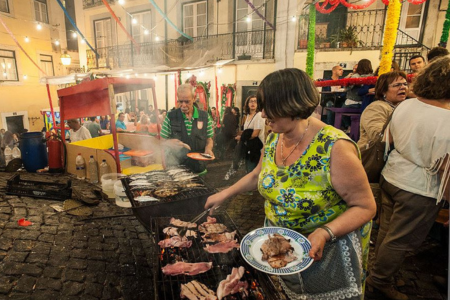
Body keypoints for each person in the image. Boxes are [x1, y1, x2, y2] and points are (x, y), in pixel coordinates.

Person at [205, 68, 375, 299]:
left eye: (269, 108)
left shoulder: (335, 147)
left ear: (292, 105)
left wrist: (325, 232)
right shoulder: (275, 137)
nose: (263, 115)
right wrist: (225, 193)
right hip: (281, 247)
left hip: (328, 251)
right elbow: (258, 175)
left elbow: (365, 206)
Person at [366, 56, 450, 300]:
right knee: (400, 240)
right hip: (418, 188)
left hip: (392, 176)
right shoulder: (445, 120)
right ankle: (379, 281)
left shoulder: (406, 106)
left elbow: (388, 141)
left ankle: (379, 272)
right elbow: (446, 169)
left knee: (387, 232)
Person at [160, 83, 214, 173]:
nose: (183, 105)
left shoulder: (204, 116)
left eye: (187, 101)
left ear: (194, 98)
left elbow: (209, 138)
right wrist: (169, 142)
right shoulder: (171, 116)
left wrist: (208, 149)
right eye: (180, 102)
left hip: (198, 167)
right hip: (176, 168)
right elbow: (162, 140)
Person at [358, 71, 408, 151]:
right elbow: (380, 137)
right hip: (376, 159)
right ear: (383, 91)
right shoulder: (376, 108)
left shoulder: (402, 107)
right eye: (397, 85)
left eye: (405, 84)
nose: (403, 87)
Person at [224, 95, 265, 180]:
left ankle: (251, 189)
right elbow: (246, 130)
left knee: (251, 167)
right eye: (251, 101)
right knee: (247, 166)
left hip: (256, 147)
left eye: (255, 101)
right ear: (247, 104)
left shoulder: (259, 115)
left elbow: (255, 134)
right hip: (248, 145)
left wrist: (241, 138)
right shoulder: (247, 116)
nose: (253, 103)